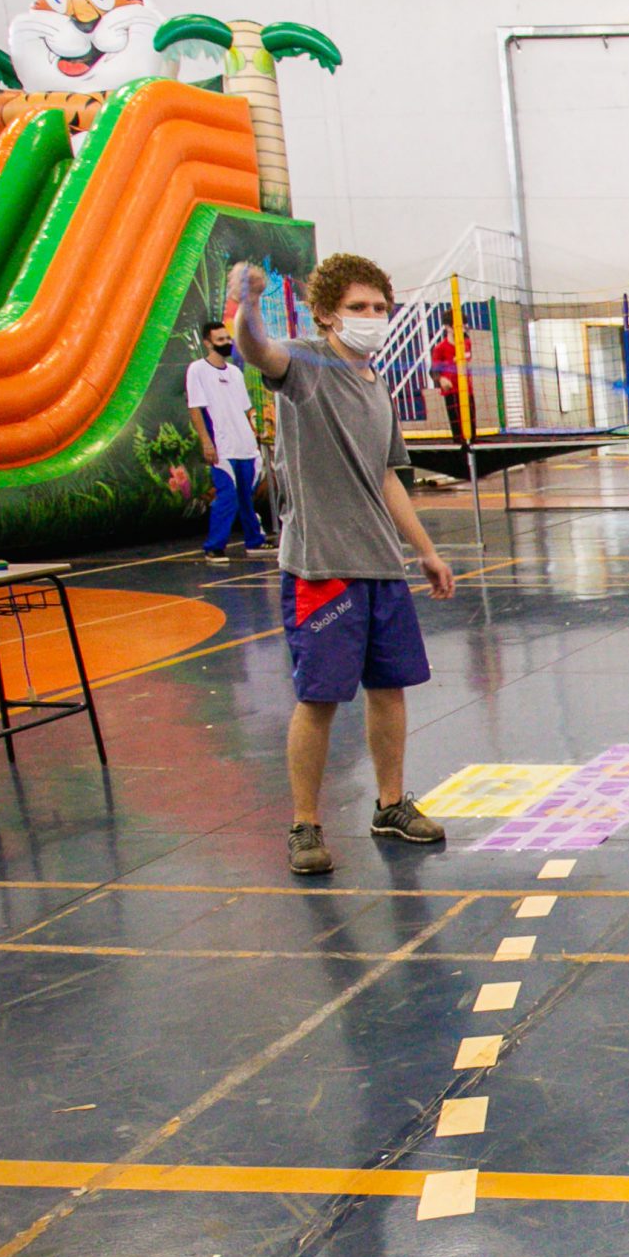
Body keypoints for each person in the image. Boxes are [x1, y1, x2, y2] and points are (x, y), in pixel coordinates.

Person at [231, 254, 456, 876]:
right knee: (319, 698)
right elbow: (256, 349)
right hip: (323, 569)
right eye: (358, 307)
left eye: (380, 307)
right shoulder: (306, 364)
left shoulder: (376, 384)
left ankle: (391, 805)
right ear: (326, 314)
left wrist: (425, 550)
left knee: (390, 690)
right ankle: (305, 825)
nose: (372, 317)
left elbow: (386, 476)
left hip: (381, 565)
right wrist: (246, 307)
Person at [186, 320, 268, 564]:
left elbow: (245, 409)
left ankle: (254, 541)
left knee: (246, 495)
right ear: (208, 343)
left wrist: (255, 434)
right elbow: (195, 408)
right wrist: (206, 442)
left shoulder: (235, 372)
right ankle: (214, 547)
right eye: (220, 340)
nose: (226, 343)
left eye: (227, 338)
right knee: (227, 495)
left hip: (245, 445)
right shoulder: (197, 370)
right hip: (222, 446)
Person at [427, 329, 467, 440]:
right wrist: (441, 379)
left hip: (467, 391)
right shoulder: (441, 348)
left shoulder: (466, 344)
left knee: (469, 426)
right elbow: (433, 371)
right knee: (458, 429)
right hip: (452, 391)